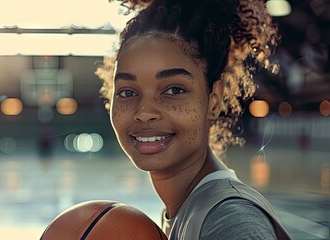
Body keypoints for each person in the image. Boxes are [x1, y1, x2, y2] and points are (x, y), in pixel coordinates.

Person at [95, 0, 292, 239]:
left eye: (174, 90)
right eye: (127, 92)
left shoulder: (232, 221)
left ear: (215, 100)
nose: (144, 112)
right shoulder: (188, 209)